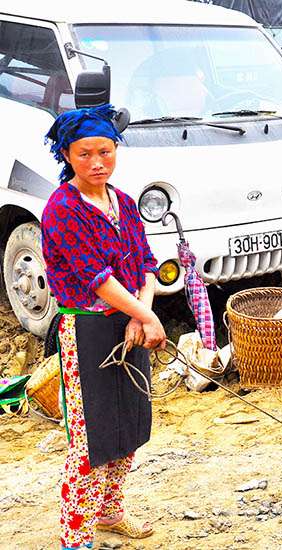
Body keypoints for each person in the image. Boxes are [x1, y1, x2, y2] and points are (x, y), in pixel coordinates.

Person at [42, 104, 167, 549]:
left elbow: (146, 264)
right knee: (91, 437)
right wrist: (145, 315)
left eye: (105, 151)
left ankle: (110, 511)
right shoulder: (61, 209)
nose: (97, 162)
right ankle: (75, 538)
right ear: (66, 155)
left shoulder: (124, 201)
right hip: (89, 329)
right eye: (84, 154)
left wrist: (141, 312)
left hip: (130, 322)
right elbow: (96, 277)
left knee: (129, 426)